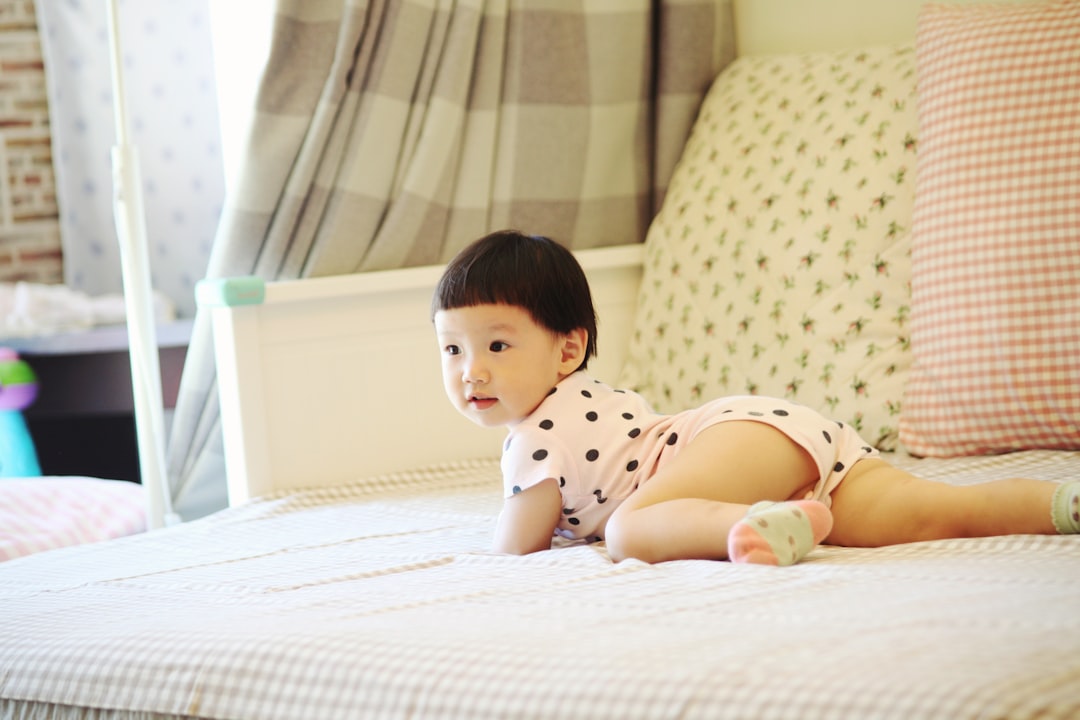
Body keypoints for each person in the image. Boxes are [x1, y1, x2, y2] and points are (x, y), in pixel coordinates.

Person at [431, 230, 1080, 565]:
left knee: (631, 530)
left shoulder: (536, 438)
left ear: (568, 350)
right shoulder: (586, 398)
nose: (471, 372)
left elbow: (515, 549)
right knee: (934, 513)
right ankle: (1061, 503)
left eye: (497, 346)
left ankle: (753, 523)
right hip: (783, 440)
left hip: (732, 439)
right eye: (452, 349)